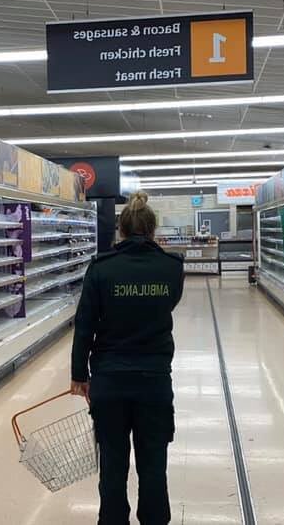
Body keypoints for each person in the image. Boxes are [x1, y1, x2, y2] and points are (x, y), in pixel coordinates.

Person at [70, 191, 185, 525]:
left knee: (113, 465)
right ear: (152, 230)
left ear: (120, 230)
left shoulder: (101, 269)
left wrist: (79, 375)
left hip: (109, 381)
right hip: (154, 381)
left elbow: (84, 326)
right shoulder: (171, 268)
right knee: (153, 466)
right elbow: (168, 305)